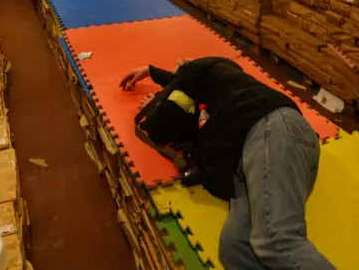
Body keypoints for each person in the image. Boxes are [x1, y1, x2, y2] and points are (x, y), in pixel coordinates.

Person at [120, 57, 335, 269]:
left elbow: (159, 125)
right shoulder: (212, 94)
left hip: (272, 131)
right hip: (251, 155)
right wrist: (151, 71)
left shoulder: (202, 73)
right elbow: (180, 87)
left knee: (276, 239)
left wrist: (155, 104)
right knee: (235, 247)